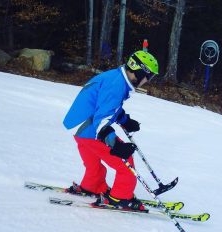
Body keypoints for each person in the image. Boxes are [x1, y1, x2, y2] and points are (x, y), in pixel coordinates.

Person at [63, 50, 159, 211]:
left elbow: (106, 106)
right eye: (149, 77)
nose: (148, 81)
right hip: (89, 130)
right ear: (140, 72)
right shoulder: (117, 85)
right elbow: (102, 119)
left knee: (93, 161)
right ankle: (121, 197)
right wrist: (114, 143)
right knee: (126, 161)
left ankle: (92, 185)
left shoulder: (116, 77)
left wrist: (124, 120)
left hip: (77, 126)